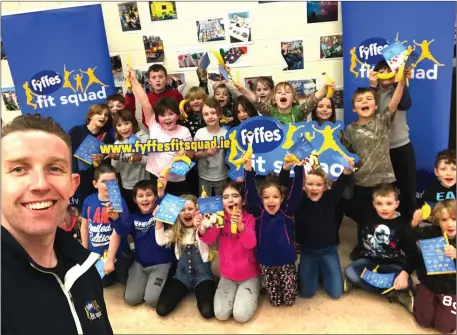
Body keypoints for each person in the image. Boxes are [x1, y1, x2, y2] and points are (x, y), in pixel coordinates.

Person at [1, 114, 113, 334]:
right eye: (19, 169)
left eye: (55, 168)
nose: (40, 185)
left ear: (72, 185)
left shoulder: (86, 267)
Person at [342, 74, 408, 259]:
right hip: (362, 183)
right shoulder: (349, 130)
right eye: (360, 100)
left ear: (376, 105)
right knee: (365, 219)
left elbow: (394, 103)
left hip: (385, 181)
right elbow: (345, 153)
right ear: (354, 108)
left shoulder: (382, 121)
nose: (365, 102)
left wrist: (400, 82)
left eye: (369, 99)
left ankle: (394, 246)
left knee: (387, 217)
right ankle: (363, 245)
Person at [280, 160, 353, 300]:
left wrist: (347, 170)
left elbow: (343, 180)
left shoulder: (330, 198)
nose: (314, 188)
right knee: (307, 293)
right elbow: (285, 181)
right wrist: (286, 168)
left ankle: (322, 270)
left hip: (329, 251)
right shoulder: (298, 198)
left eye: (319, 185)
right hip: (308, 252)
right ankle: (309, 269)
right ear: (303, 185)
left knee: (336, 293)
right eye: (310, 184)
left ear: (325, 187)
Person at [343, 184, 417, 313]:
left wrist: (405, 274)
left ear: (397, 204)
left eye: (389, 203)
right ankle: (394, 293)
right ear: (373, 204)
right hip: (368, 260)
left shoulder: (402, 225)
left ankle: (366, 284)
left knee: (408, 281)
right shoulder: (365, 216)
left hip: (392, 263)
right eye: (379, 203)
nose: (384, 208)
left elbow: (413, 253)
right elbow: (343, 202)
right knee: (350, 271)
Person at [244, 157, 304, 306]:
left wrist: (299, 168)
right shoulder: (258, 213)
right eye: (266, 197)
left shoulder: (287, 212)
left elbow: (296, 193)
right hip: (267, 262)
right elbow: (250, 193)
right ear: (261, 199)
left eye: (275, 197)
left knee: (289, 300)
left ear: (282, 198)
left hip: (286, 262)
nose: (271, 201)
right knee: (275, 301)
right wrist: (248, 171)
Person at [198, 181, 261, 323]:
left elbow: (250, 244)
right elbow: (209, 240)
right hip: (227, 275)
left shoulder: (249, 219)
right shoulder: (219, 218)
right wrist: (202, 228)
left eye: (235, 196)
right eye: (226, 197)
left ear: (243, 201)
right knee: (220, 314)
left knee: (241, 316)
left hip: (249, 275)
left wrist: (241, 227)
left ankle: (255, 288)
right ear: (222, 202)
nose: (230, 200)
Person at [128, 66, 194, 196]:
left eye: (171, 114)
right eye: (163, 115)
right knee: (158, 208)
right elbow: (145, 103)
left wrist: (185, 153)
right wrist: (134, 81)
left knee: (176, 209)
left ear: (178, 115)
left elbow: (191, 153)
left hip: (177, 179)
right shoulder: (154, 125)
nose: (167, 118)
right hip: (155, 176)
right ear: (157, 117)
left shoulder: (184, 131)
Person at [111, 179, 176, 307]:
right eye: (140, 196)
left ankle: (168, 278)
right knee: (131, 299)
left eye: (149, 195)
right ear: (135, 200)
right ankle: (146, 281)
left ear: (155, 197)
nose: (145, 199)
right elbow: (122, 231)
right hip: (140, 264)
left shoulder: (160, 212)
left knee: (151, 300)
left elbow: (168, 210)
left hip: (161, 263)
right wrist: (115, 218)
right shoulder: (133, 217)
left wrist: (161, 194)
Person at [155, 194, 216, 319]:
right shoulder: (175, 231)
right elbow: (160, 240)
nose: (186, 213)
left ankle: (207, 290)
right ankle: (186, 289)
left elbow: (213, 220)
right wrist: (159, 221)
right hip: (182, 276)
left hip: (203, 276)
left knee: (207, 312)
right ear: (177, 213)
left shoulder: (203, 227)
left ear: (196, 210)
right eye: (182, 210)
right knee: (162, 309)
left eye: (190, 209)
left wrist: (203, 220)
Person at [369, 60, 415, 223]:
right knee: (384, 190)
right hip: (381, 150)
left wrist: (399, 82)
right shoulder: (373, 93)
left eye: (388, 69)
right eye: (380, 70)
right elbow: (369, 114)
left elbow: (405, 104)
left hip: (402, 145)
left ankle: (408, 226)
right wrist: (373, 87)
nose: (385, 72)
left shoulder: (400, 88)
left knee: (407, 189)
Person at [80, 164, 132, 287]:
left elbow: (118, 233)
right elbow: (84, 225)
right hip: (97, 252)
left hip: (118, 252)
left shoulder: (120, 202)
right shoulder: (88, 201)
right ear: (95, 184)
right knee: (103, 283)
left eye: (112, 181)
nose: (109, 185)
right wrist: (84, 249)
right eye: (104, 182)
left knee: (124, 279)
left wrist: (110, 260)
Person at [410, 200, 456, 334]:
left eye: (454, 219)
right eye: (444, 219)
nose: (450, 224)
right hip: (429, 283)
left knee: (445, 328)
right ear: (437, 221)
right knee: (422, 321)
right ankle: (419, 292)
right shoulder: (431, 231)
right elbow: (408, 239)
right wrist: (414, 224)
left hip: (452, 289)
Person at [69, 103, 115, 209]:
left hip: (98, 179)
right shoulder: (76, 131)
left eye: (106, 115)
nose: (103, 117)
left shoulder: (108, 137)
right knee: (84, 209)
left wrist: (102, 157)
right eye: (99, 113)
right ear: (91, 116)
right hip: (80, 178)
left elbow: (111, 160)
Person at [236, 81, 333, 124]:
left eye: (287, 92)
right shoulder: (271, 112)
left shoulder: (298, 111)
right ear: (274, 99)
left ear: (294, 99)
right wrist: (244, 91)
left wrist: (323, 90)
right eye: (279, 92)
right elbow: (258, 102)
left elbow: (311, 102)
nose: (283, 93)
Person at [110, 109, 150, 211]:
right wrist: (115, 159)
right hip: (127, 186)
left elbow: (154, 162)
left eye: (126, 123)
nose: (123, 128)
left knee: (148, 211)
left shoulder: (144, 138)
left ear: (133, 123)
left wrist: (140, 158)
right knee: (132, 212)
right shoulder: (117, 143)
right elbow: (116, 169)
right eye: (119, 125)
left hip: (145, 183)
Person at [124, 64, 183, 129]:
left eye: (160, 77)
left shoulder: (175, 94)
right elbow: (145, 119)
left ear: (166, 79)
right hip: (156, 131)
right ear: (149, 81)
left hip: (175, 129)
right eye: (154, 77)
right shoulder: (147, 98)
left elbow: (183, 112)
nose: (157, 80)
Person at [194, 98, 228, 196]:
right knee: (204, 205)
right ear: (202, 117)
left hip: (222, 176)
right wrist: (206, 153)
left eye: (213, 113)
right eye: (206, 114)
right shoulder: (200, 133)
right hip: (204, 177)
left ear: (220, 114)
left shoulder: (226, 134)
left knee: (222, 204)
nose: (210, 117)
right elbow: (194, 154)